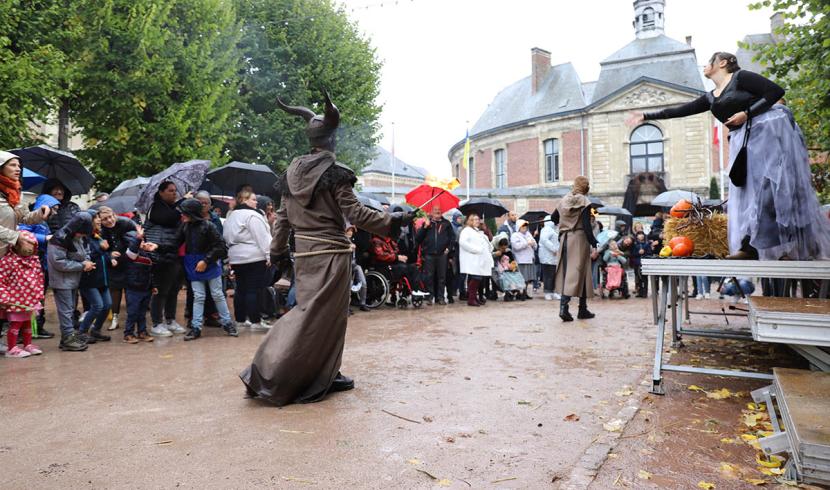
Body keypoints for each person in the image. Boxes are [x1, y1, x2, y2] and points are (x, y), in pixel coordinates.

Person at [240, 92, 413, 406]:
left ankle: (325, 373)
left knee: (309, 313)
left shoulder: (291, 173)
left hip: (305, 256)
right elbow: (357, 214)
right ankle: (272, 370)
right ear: (332, 140)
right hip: (333, 256)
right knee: (326, 318)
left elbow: (282, 219)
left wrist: (277, 253)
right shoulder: (335, 173)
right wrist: (394, 221)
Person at [627, 51, 830, 260]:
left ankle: (797, 242)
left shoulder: (741, 78)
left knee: (769, 190)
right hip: (743, 143)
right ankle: (751, 245)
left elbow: (775, 91)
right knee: (748, 195)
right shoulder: (711, 96)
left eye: (709, 61)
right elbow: (682, 110)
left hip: (766, 137)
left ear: (722, 63)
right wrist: (646, 116)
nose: (705, 66)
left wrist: (747, 113)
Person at [177, 198, 236, 340]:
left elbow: (221, 246)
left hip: (208, 263)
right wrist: (157, 247)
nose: (182, 215)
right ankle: (196, 327)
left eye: (184, 213)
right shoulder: (185, 227)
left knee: (217, 294)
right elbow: (175, 242)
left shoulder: (208, 226)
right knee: (199, 296)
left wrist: (205, 260)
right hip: (193, 263)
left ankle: (227, 323)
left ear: (191, 213)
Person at [223, 189, 273, 330]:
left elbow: (226, 237)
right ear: (244, 200)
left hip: (236, 258)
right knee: (253, 290)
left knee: (241, 289)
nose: (256, 202)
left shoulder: (231, 216)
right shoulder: (252, 215)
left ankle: (240, 320)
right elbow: (263, 237)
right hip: (253, 257)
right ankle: (255, 321)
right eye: (253, 199)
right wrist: (269, 255)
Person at [143, 181, 187, 336]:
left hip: (172, 253)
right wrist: (181, 203)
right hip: (158, 255)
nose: (174, 193)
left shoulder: (171, 208)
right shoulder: (156, 208)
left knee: (173, 289)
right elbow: (168, 218)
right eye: (170, 191)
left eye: (175, 191)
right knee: (160, 290)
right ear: (161, 192)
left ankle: (170, 320)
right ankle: (157, 323)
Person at [47, 213, 94, 352]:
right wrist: (82, 265)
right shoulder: (59, 238)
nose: (81, 236)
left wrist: (86, 261)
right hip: (62, 280)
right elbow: (58, 262)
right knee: (66, 311)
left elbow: (83, 252)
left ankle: (68, 337)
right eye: (80, 233)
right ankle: (68, 339)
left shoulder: (75, 235)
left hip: (72, 279)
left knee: (70, 309)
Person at [553, 176, 598, 321]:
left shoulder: (563, 200)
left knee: (568, 272)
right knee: (578, 272)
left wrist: (564, 220)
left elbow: (554, 218)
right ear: (585, 186)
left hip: (565, 239)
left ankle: (578, 309)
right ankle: (567, 309)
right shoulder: (585, 201)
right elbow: (586, 224)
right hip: (579, 239)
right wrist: (593, 241)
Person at [19, 193, 61, 339]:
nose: (54, 212)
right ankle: (23, 332)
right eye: (53, 209)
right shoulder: (32, 219)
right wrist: (45, 238)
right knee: (29, 297)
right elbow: (22, 233)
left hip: (40, 263)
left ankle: (37, 327)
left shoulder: (44, 222)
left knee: (39, 296)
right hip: (29, 263)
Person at [0, 231, 45, 358]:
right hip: (15, 300)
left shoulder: (34, 261)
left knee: (27, 323)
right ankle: (12, 348)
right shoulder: (8, 261)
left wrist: (39, 295)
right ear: (16, 246)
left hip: (30, 299)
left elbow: (39, 278)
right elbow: (1, 279)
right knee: (16, 324)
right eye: (27, 247)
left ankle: (27, 344)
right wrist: (4, 297)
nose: (30, 250)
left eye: (33, 247)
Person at [97, 206, 137, 331]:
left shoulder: (126, 222)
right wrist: (109, 254)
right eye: (105, 219)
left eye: (110, 217)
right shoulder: (99, 230)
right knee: (115, 290)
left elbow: (139, 236)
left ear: (114, 214)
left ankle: (133, 318)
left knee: (131, 290)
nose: (109, 221)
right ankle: (115, 317)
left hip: (130, 259)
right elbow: (96, 248)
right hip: (113, 263)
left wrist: (130, 247)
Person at [77, 210, 113, 343]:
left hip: (102, 279)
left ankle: (96, 330)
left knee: (107, 304)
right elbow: (87, 256)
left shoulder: (99, 236)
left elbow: (103, 256)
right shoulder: (84, 238)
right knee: (97, 305)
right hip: (89, 280)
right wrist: (102, 249)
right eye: (96, 218)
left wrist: (110, 256)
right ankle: (82, 332)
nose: (99, 220)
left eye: (98, 217)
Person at [121, 231, 158, 343]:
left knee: (142, 313)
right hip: (133, 289)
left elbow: (151, 272)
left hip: (146, 288)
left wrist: (153, 286)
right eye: (139, 241)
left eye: (143, 240)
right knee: (132, 312)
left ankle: (142, 332)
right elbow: (133, 250)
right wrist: (138, 238)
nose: (142, 242)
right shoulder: (130, 254)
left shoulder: (146, 255)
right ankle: (128, 333)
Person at [415, 204, 454, 305]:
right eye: (435, 210)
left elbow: (452, 238)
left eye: (439, 209)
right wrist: (425, 227)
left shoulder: (446, 223)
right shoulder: (426, 223)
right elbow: (418, 238)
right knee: (429, 276)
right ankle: (429, 297)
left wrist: (448, 249)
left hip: (442, 254)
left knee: (442, 277)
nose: (438, 211)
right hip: (429, 254)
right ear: (431, 212)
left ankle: (440, 297)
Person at [459, 213, 494, 307]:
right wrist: (476, 250)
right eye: (475, 219)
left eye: (478, 219)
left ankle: (474, 298)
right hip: (472, 258)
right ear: (470, 221)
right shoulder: (466, 230)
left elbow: (486, 241)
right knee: (475, 279)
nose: (477, 221)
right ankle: (471, 299)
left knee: (478, 279)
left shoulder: (478, 231)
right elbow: (463, 243)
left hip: (479, 259)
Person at [491, 233, 525, 301]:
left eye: (505, 247)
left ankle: (516, 291)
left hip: (507, 269)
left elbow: (512, 261)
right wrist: (495, 254)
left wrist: (513, 266)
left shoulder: (508, 251)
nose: (504, 249)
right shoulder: (493, 249)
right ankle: (495, 293)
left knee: (516, 276)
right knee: (498, 278)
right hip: (497, 269)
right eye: (502, 248)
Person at [510, 219, 537, 300]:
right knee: (522, 278)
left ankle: (525, 292)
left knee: (528, 278)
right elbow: (516, 246)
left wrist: (533, 244)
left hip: (530, 259)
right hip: (521, 259)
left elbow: (535, 244)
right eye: (523, 226)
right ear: (519, 227)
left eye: (525, 226)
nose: (525, 227)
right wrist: (527, 243)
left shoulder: (528, 234)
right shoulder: (515, 235)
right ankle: (519, 293)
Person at [345, 225, 369, 312]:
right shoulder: (343, 241)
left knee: (363, 282)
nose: (350, 232)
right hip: (346, 266)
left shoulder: (355, 240)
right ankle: (346, 307)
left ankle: (363, 303)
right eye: (348, 231)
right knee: (348, 285)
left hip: (355, 264)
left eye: (351, 231)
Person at [539, 216, 560, 301]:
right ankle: (548, 292)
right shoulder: (547, 229)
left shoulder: (554, 230)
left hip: (553, 257)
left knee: (554, 275)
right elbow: (544, 240)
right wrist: (554, 249)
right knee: (548, 275)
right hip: (547, 257)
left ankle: (554, 291)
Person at [631, 231, 653, 297]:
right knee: (638, 278)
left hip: (644, 263)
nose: (641, 236)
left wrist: (644, 253)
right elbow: (632, 254)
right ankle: (640, 292)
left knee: (644, 278)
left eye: (642, 234)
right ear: (637, 236)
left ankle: (645, 293)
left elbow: (650, 253)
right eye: (639, 234)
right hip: (637, 263)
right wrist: (638, 253)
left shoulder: (646, 244)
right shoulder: (634, 244)